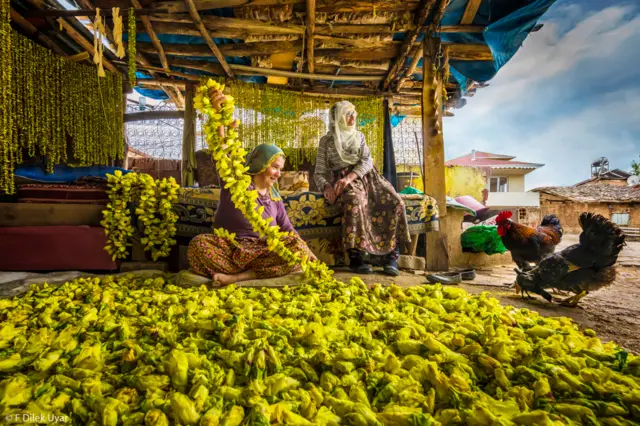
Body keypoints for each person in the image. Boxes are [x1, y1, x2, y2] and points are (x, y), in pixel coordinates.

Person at [188, 143, 316, 286]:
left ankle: (237, 278)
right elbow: (222, 157)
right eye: (275, 167)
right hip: (230, 250)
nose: (278, 174)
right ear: (260, 164)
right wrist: (222, 129)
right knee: (198, 245)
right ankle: (261, 272)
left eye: (280, 169)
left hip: (264, 253)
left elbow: (288, 229)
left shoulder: (275, 198)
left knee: (297, 249)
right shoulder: (237, 185)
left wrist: (307, 251)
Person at [314, 100, 410, 276]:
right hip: (343, 180)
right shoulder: (327, 141)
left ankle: (391, 257)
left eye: (353, 113)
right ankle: (356, 257)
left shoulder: (359, 136)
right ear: (337, 118)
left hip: (367, 177)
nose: (352, 117)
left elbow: (367, 161)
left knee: (395, 201)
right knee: (354, 201)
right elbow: (319, 173)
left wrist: (350, 177)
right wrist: (327, 186)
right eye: (347, 114)